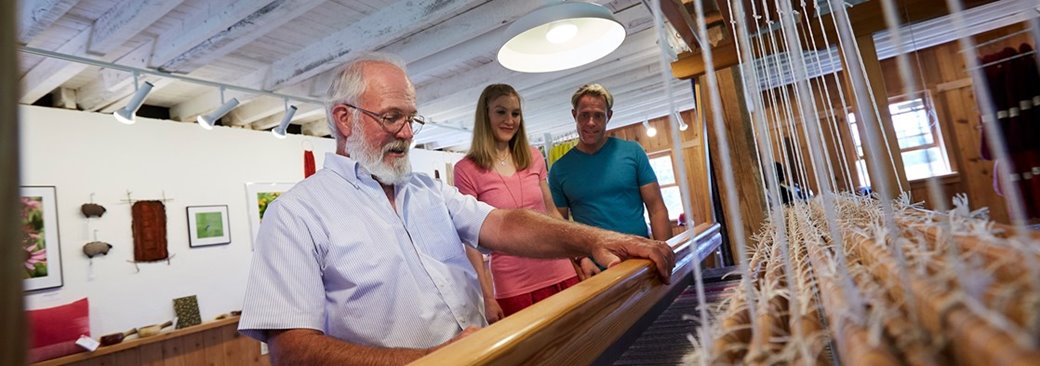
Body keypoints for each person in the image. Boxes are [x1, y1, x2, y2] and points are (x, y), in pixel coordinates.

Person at [237, 54, 675, 365]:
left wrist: (595, 238)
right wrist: (431, 361)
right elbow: (293, 350)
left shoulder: (426, 190)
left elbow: (503, 223)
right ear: (345, 119)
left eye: (412, 118)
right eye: (393, 117)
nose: (408, 133)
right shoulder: (296, 215)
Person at [454, 84, 581, 324]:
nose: (510, 120)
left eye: (515, 113)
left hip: (560, 270)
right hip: (514, 285)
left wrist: (580, 256)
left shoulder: (533, 156)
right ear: (486, 115)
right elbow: (470, 243)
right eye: (501, 112)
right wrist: (487, 297)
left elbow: (552, 213)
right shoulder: (467, 170)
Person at [549, 83, 671, 279]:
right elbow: (560, 228)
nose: (591, 122)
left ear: (609, 116)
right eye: (584, 115)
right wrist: (581, 259)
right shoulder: (559, 170)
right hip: (596, 270)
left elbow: (656, 208)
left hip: (642, 260)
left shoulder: (632, 152)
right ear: (574, 115)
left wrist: (664, 253)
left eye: (598, 115)